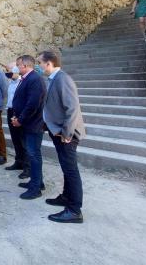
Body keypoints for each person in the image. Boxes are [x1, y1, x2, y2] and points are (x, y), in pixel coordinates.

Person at [38, 50, 86, 224]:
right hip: (59, 132)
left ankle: (74, 210)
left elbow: (72, 108)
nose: (39, 66)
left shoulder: (62, 79)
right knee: (67, 168)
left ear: (49, 63)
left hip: (67, 134)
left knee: (71, 170)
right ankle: (66, 197)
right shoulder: (53, 79)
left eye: (40, 62)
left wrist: (67, 132)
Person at [11, 55, 47, 200]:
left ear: (24, 66)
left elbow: (32, 104)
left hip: (33, 124)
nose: (16, 67)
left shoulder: (35, 79)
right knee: (32, 155)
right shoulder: (28, 78)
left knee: (34, 155)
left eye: (18, 65)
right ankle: (37, 182)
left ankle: (36, 188)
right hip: (28, 124)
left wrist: (20, 120)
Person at [3, 62, 28, 177]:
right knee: (15, 138)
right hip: (10, 111)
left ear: (15, 70)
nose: (7, 72)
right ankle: (19, 162)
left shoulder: (22, 82)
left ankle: (27, 167)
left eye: (8, 70)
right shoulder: (10, 82)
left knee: (22, 140)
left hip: (18, 112)